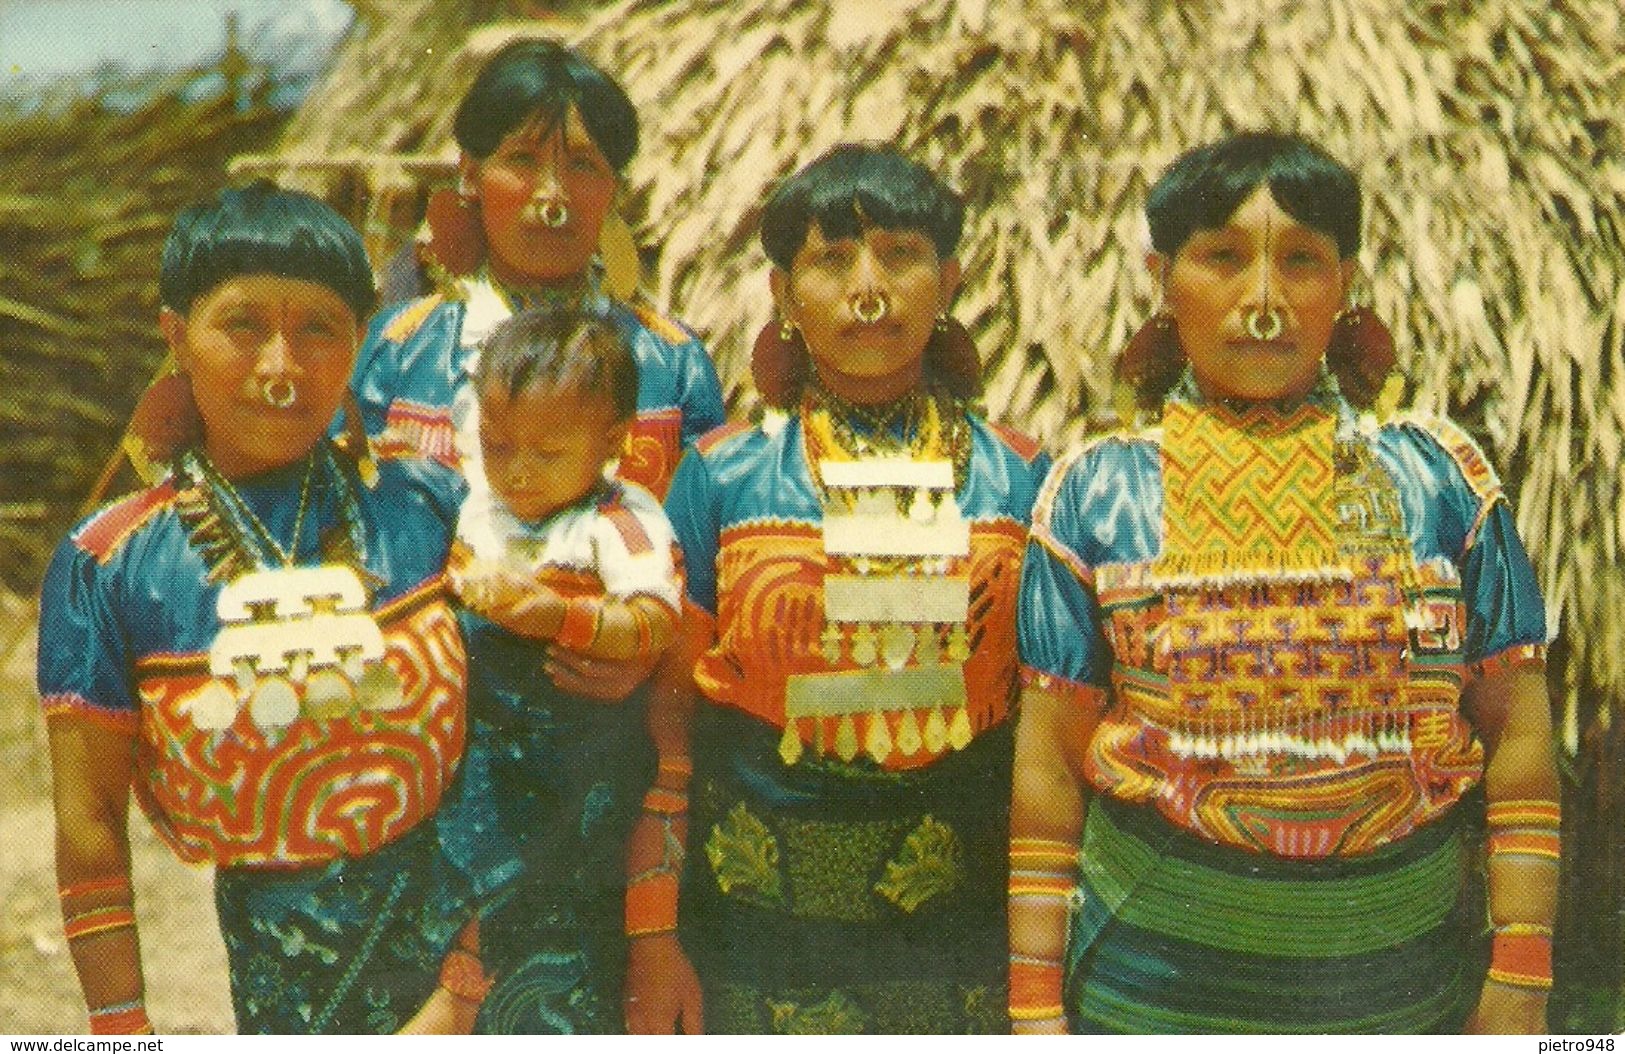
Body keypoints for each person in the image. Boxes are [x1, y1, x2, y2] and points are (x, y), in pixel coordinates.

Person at [1010, 131, 1558, 1034]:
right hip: (1152, 992)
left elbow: (1517, 733)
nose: (1262, 302)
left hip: (1396, 991)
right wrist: (1032, 1014)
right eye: (1221, 258)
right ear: (1161, 276)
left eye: (1300, 260)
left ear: (1345, 283)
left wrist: (1523, 976)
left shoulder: (1440, 480)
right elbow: (1048, 770)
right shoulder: (1094, 494)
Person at [39, 182, 485, 1034]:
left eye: (318, 327)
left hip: (473, 978)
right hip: (278, 991)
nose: (281, 367)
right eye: (243, 326)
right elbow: (89, 823)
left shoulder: (432, 508)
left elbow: (523, 745)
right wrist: (119, 1034)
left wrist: (463, 988)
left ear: (359, 340)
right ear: (176, 337)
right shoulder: (109, 565)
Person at [637, 143, 1051, 1034]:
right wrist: (652, 935)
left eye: (900, 255)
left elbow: (1050, 736)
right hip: (753, 937)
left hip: (960, 939)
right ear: (783, 296)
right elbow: (665, 723)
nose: (869, 288)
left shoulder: (1020, 478)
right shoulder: (723, 478)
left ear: (947, 278)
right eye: (832, 260)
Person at [433, 305, 681, 1032]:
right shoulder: (482, 510)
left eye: (546, 453)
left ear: (610, 443)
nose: (517, 471)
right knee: (470, 900)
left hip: (576, 767)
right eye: (499, 445)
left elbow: (654, 620)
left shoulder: (618, 522)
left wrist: (564, 619)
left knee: (562, 933)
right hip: (485, 766)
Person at [350, 37, 724, 504]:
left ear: (616, 190)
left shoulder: (673, 364)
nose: (552, 197)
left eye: (583, 165)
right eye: (522, 160)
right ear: (469, 174)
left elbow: (705, 549)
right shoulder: (394, 353)